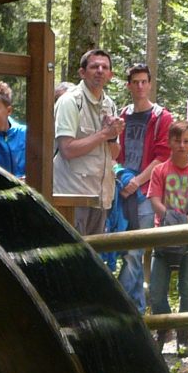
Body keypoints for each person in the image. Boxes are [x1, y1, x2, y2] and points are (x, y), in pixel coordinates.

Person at [146, 121, 188, 356]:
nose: (182, 146)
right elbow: (155, 199)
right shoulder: (160, 170)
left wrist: (184, 223)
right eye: (177, 141)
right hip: (163, 236)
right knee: (156, 290)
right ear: (169, 142)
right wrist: (170, 220)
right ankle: (163, 330)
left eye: (186, 141)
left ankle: (184, 338)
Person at [115, 64, 174, 311]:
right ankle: (136, 310)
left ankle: (117, 303)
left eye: (144, 81)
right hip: (120, 191)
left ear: (150, 84)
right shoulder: (121, 116)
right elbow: (113, 152)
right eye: (135, 82)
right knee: (129, 252)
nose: (140, 86)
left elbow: (162, 157)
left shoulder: (162, 117)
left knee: (134, 251)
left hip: (147, 193)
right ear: (129, 86)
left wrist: (137, 182)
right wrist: (121, 179)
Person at [53, 49, 122, 236]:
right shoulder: (70, 102)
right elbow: (66, 149)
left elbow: (114, 154)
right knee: (72, 256)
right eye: (94, 66)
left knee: (94, 254)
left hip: (100, 197)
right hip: (72, 197)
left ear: (110, 75)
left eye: (104, 67)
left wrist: (113, 135)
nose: (100, 70)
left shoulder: (110, 104)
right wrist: (103, 134)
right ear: (82, 73)